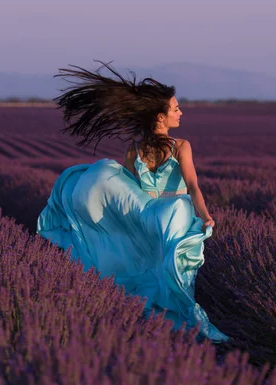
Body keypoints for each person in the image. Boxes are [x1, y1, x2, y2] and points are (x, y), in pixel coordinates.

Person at [36, 61, 229, 342]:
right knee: (175, 274)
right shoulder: (180, 146)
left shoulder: (134, 149)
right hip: (171, 218)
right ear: (160, 118)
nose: (180, 112)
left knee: (146, 272)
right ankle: (185, 328)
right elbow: (193, 187)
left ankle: (147, 325)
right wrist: (206, 216)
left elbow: (128, 190)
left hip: (145, 219)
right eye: (175, 108)